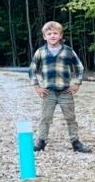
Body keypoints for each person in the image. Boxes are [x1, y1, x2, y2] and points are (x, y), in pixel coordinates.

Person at [29, 21, 91, 153]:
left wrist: (77, 83)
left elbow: (79, 67)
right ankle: (41, 141)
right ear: (44, 36)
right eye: (49, 34)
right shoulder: (40, 52)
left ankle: (75, 142)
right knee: (45, 117)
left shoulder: (68, 51)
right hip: (48, 92)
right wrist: (36, 86)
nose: (52, 36)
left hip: (65, 91)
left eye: (55, 33)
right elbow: (32, 69)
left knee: (70, 117)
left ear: (60, 35)